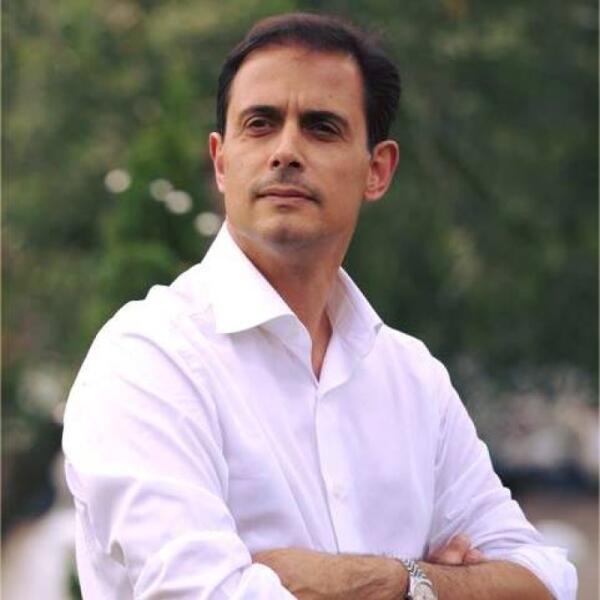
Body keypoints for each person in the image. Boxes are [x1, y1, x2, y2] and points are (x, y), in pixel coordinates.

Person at [62, 12, 577, 599]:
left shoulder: (413, 379)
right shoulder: (150, 359)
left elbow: (547, 580)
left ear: (377, 170)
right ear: (222, 161)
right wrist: (451, 584)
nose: (285, 150)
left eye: (321, 127)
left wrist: (396, 581)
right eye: (259, 124)